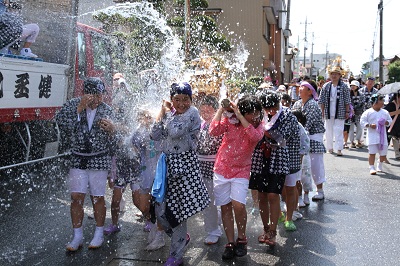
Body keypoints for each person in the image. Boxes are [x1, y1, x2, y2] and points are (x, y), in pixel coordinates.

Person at [151, 82, 210, 266]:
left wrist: (166, 114)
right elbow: (154, 134)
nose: (182, 103)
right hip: (167, 165)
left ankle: (176, 255)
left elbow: (175, 132)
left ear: (191, 100)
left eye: (186, 99)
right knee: (160, 210)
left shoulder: (192, 113)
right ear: (171, 99)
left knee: (177, 212)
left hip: (184, 167)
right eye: (177, 99)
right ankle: (181, 237)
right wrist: (161, 112)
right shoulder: (170, 114)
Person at [55, 77, 116, 251]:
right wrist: (78, 109)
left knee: (97, 197)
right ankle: (77, 236)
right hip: (78, 158)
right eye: (94, 95)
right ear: (85, 94)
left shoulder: (107, 110)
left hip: (99, 159)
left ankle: (98, 233)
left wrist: (112, 130)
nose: (97, 99)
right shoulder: (73, 104)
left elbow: (117, 140)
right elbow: (61, 125)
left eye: (100, 95)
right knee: (76, 197)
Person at [209, 94, 264, 260]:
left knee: (238, 205)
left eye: (257, 113)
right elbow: (213, 131)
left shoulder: (259, 125)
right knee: (225, 207)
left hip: (241, 170)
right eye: (251, 114)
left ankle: (242, 238)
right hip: (222, 168)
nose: (255, 117)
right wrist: (221, 109)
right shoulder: (229, 120)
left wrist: (240, 116)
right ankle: (230, 242)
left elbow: (255, 137)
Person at [250, 91, 298, 246]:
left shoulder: (288, 116)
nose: (271, 111)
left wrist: (263, 130)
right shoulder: (258, 114)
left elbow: (282, 137)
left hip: (279, 159)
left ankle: (273, 231)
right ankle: (265, 229)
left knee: (273, 195)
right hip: (259, 157)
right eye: (268, 108)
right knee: (262, 195)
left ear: (279, 103)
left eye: (274, 107)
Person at [293, 81, 326, 201]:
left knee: (316, 165)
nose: (300, 88)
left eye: (304, 87)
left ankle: (320, 190)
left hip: (313, 136)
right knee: (303, 168)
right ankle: (303, 194)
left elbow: (308, 123)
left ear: (310, 91)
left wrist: (299, 134)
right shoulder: (297, 103)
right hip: (301, 137)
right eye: (300, 86)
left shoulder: (313, 104)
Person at [196, 95, 223, 245]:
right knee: (208, 200)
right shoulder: (199, 124)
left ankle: (216, 225)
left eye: (209, 110)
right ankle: (213, 229)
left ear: (215, 110)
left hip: (217, 166)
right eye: (203, 110)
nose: (205, 113)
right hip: (201, 166)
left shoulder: (218, 124)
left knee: (216, 198)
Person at [318, 66, 351, 156]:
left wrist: (347, 112)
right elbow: (321, 100)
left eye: (336, 74)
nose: (334, 76)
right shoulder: (326, 86)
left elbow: (347, 100)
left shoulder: (344, 86)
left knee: (339, 130)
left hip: (340, 111)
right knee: (328, 131)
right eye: (332, 74)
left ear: (340, 75)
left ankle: (339, 149)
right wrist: (322, 112)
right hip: (328, 112)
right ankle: (330, 148)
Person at [360, 94, 392, 174]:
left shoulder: (385, 112)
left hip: (382, 135)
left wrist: (386, 122)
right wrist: (369, 125)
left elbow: (390, 120)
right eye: (381, 100)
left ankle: (379, 165)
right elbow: (362, 121)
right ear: (375, 102)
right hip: (372, 135)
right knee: (372, 152)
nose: (382, 102)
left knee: (383, 152)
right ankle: (371, 167)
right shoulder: (368, 112)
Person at [348, 80, 365, 148]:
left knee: (360, 127)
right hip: (351, 113)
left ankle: (358, 140)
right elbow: (348, 103)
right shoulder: (348, 94)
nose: (352, 87)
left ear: (357, 86)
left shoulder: (361, 94)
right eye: (351, 85)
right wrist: (351, 109)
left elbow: (363, 103)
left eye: (354, 86)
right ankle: (352, 142)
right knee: (351, 127)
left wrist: (359, 109)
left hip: (359, 112)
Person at [384, 93, 400, 160]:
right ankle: (383, 155)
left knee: (397, 139)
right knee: (387, 140)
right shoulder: (391, 104)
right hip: (390, 125)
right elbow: (385, 114)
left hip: (398, 125)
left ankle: (397, 154)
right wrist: (396, 112)